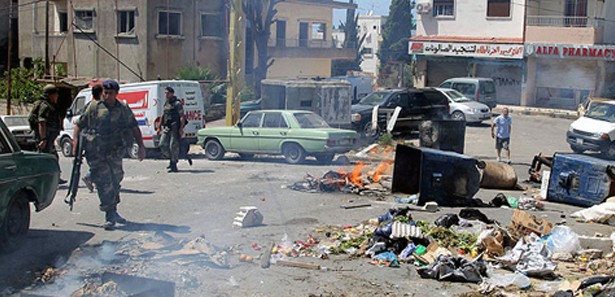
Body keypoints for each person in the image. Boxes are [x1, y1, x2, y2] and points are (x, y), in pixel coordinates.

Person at [73, 80, 146, 229]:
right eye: (105, 93)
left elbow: (133, 126)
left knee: (116, 179)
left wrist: (141, 146)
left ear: (116, 93)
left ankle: (113, 209)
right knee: (104, 182)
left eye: (110, 93)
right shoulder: (94, 107)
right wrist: (75, 144)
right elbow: (79, 125)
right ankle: (109, 214)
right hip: (97, 152)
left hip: (115, 151)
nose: (107, 96)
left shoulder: (123, 108)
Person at [30, 84, 67, 184]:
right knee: (44, 159)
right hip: (45, 138)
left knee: (53, 157)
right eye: (55, 94)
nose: (57, 97)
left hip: (48, 138)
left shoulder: (48, 104)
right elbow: (42, 122)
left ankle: (54, 177)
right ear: (50, 95)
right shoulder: (45, 106)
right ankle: (40, 180)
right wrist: (43, 139)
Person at [79, 85, 103, 192]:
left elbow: (81, 122)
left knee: (94, 162)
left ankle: (95, 181)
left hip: (88, 138)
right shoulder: (101, 106)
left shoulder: (88, 105)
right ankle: (89, 177)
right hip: (97, 139)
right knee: (101, 163)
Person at [158, 86, 185, 172]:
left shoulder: (177, 103)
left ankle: (174, 165)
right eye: (165, 93)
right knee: (162, 144)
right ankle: (171, 159)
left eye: (168, 93)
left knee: (173, 146)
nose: (166, 94)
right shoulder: (166, 103)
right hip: (167, 127)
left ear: (172, 93)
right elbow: (163, 114)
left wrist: (181, 129)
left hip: (175, 128)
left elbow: (182, 117)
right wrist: (159, 126)